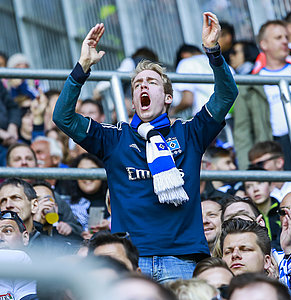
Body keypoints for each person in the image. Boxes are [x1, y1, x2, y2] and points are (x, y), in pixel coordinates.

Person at [53, 12, 238, 282]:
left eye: (152, 82)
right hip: (131, 262)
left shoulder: (189, 132)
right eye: (138, 84)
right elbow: (63, 117)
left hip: (182, 260)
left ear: (168, 98)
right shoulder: (115, 137)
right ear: (133, 103)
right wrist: (82, 66)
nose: (143, 86)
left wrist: (213, 52)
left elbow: (226, 95)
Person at [234, 20, 291, 170]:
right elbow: (242, 132)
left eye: (286, 37)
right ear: (263, 44)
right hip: (273, 150)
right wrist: (248, 174)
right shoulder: (249, 84)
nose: (285, 41)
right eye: (278, 38)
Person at [171, 44, 214, 118]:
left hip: (208, 119)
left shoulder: (185, 63)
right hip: (231, 117)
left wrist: (171, 112)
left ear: (184, 55)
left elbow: (188, 100)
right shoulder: (220, 63)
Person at [244, 166, 281, 247]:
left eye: (260, 182)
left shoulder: (283, 211)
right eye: (249, 186)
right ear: (246, 193)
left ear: (271, 186)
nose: (255, 189)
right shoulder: (246, 217)